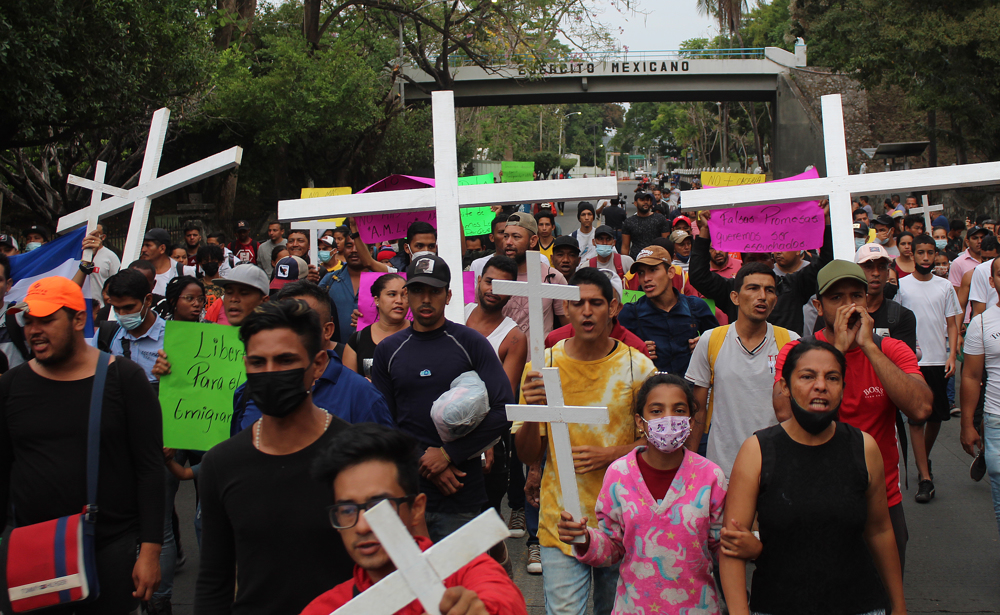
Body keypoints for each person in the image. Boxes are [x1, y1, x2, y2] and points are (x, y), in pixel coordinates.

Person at [0, 276, 164, 614]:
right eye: (28, 321)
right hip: (33, 552)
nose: (33, 330)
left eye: (46, 320)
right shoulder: (12, 385)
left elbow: (149, 470)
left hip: (108, 548)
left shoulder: (125, 379)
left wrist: (149, 552)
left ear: (78, 319)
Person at [721, 339, 906, 615]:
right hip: (776, 604)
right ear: (784, 386)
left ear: (842, 388)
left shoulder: (864, 448)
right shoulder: (757, 451)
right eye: (807, 376)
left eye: (832, 378)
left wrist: (899, 606)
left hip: (860, 605)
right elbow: (732, 544)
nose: (820, 385)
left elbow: (879, 530)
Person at [194, 301, 354, 615]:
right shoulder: (221, 464)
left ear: (318, 364)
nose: (270, 374)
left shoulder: (355, 455)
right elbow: (215, 577)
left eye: (285, 360)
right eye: (257, 362)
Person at [773, 260, 932, 571]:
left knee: (884, 593)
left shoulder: (892, 349)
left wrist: (870, 348)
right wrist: (838, 354)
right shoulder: (795, 352)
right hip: (812, 497)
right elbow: (785, 413)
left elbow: (921, 408)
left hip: (881, 500)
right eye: (837, 298)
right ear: (818, 306)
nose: (849, 307)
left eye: (856, 297)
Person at [514, 268, 656, 615]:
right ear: (567, 308)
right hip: (561, 517)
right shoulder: (543, 364)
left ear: (613, 308)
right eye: (578, 303)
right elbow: (527, 451)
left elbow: (657, 445)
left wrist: (610, 454)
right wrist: (534, 411)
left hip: (621, 519)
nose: (587, 311)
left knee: (615, 610)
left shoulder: (638, 368)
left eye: (596, 303)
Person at [301, 423, 528, 615]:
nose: (362, 526)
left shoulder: (466, 574)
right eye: (348, 510)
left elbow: (502, 599)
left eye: (379, 506)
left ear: (417, 508)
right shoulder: (326, 608)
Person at [556, 373, 730, 615]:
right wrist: (584, 538)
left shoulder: (711, 476)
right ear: (640, 421)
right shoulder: (619, 474)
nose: (668, 419)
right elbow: (612, 547)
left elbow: (721, 547)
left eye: (679, 410)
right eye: (656, 411)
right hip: (633, 608)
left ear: (691, 421)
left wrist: (747, 545)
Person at [371, 255, 512, 542]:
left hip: (461, 486)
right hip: (407, 489)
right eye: (418, 290)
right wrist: (425, 461)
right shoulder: (388, 350)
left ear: (448, 296)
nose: (426, 299)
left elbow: (503, 410)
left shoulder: (471, 343)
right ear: (407, 294)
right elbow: (384, 423)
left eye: (435, 291)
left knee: (463, 582)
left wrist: (449, 455)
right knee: (414, 582)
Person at [231, 280, 392, 432]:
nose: (288, 331)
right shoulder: (248, 391)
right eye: (280, 320)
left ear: (327, 330)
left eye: (302, 322)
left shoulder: (362, 396)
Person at [685, 262, 798, 474]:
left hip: (778, 469)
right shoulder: (711, 340)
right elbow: (698, 412)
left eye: (769, 290)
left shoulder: (791, 342)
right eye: (753, 288)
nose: (762, 296)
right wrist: (689, 468)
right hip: (724, 469)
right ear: (735, 297)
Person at [690, 209, 832, 333]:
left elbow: (826, 265)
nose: (758, 264)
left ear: (772, 261)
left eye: (763, 258)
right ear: (743, 263)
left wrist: (825, 221)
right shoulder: (731, 289)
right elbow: (699, 276)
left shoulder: (793, 286)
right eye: (752, 259)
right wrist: (704, 233)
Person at [897, 235, 962, 503]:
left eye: (929, 253)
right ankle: (925, 477)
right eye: (920, 252)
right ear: (912, 255)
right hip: (912, 363)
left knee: (936, 417)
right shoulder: (902, 286)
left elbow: (952, 324)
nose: (925, 257)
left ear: (936, 255)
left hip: (938, 360)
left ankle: (924, 457)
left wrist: (952, 354)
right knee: (916, 418)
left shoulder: (945, 286)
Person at [618, 245, 718, 375]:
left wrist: (705, 345)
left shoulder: (696, 307)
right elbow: (613, 356)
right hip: (650, 391)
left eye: (653, 270)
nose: (646, 278)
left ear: (670, 272)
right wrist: (635, 351)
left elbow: (719, 347)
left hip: (690, 390)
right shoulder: (630, 313)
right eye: (641, 272)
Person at [959, 256, 1000, 542]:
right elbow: (971, 377)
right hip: (996, 420)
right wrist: (966, 424)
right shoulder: (981, 324)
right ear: (992, 281)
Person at [499, 213, 568, 359]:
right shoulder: (495, 278)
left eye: (516, 237)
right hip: (502, 364)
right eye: (506, 236)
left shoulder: (553, 278)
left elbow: (567, 328)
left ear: (533, 240)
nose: (508, 242)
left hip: (541, 364)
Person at [464, 256, 527, 393]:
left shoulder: (514, 338)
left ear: (512, 292)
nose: (493, 289)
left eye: (502, 285)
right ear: (479, 281)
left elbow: (505, 393)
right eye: (489, 282)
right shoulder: (459, 314)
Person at [102, 269, 167, 384]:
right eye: (116, 308)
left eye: (129, 307)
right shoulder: (106, 334)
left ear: (148, 300)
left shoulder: (171, 338)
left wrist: (168, 381)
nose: (121, 314)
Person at [343, 273, 410, 378]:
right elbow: (348, 386)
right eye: (392, 294)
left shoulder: (421, 333)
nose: (399, 301)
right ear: (377, 300)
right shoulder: (357, 341)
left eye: (404, 295)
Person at [854, 243, 917, 351]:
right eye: (868, 267)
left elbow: (904, 364)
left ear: (888, 274)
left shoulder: (903, 316)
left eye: (882, 267)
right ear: (855, 271)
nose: (876, 273)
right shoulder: (840, 313)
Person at [204, 264, 270, 326]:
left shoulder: (274, 336)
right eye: (229, 292)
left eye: (244, 293)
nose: (233, 299)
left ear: (264, 301)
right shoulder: (213, 335)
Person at [141, 228, 197, 295]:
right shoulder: (140, 273)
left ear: (162, 248)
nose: (143, 250)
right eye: (143, 245)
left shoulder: (185, 272)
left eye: (148, 245)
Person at [621, 192, 670, 260]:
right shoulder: (629, 222)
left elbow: (666, 242)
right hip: (637, 261)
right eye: (642, 200)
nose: (645, 202)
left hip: (656, 259)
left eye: (647, 200)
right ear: (635, 203)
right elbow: (625, 247)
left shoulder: (660, 219)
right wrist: (624, 263)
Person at [86, 223, 121, 307]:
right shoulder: (80, 255)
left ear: (103, 237)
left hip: (101, 307)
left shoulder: (110, 256)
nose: (91, 237)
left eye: (95, 234)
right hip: (81, 306)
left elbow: (116, 283)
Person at [950, 225, 989, 292]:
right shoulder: (958, 263)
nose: (980, 241)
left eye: (982, 237)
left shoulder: (992, 260)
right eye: (975, 238)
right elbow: (955, 292)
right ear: (967, 242)